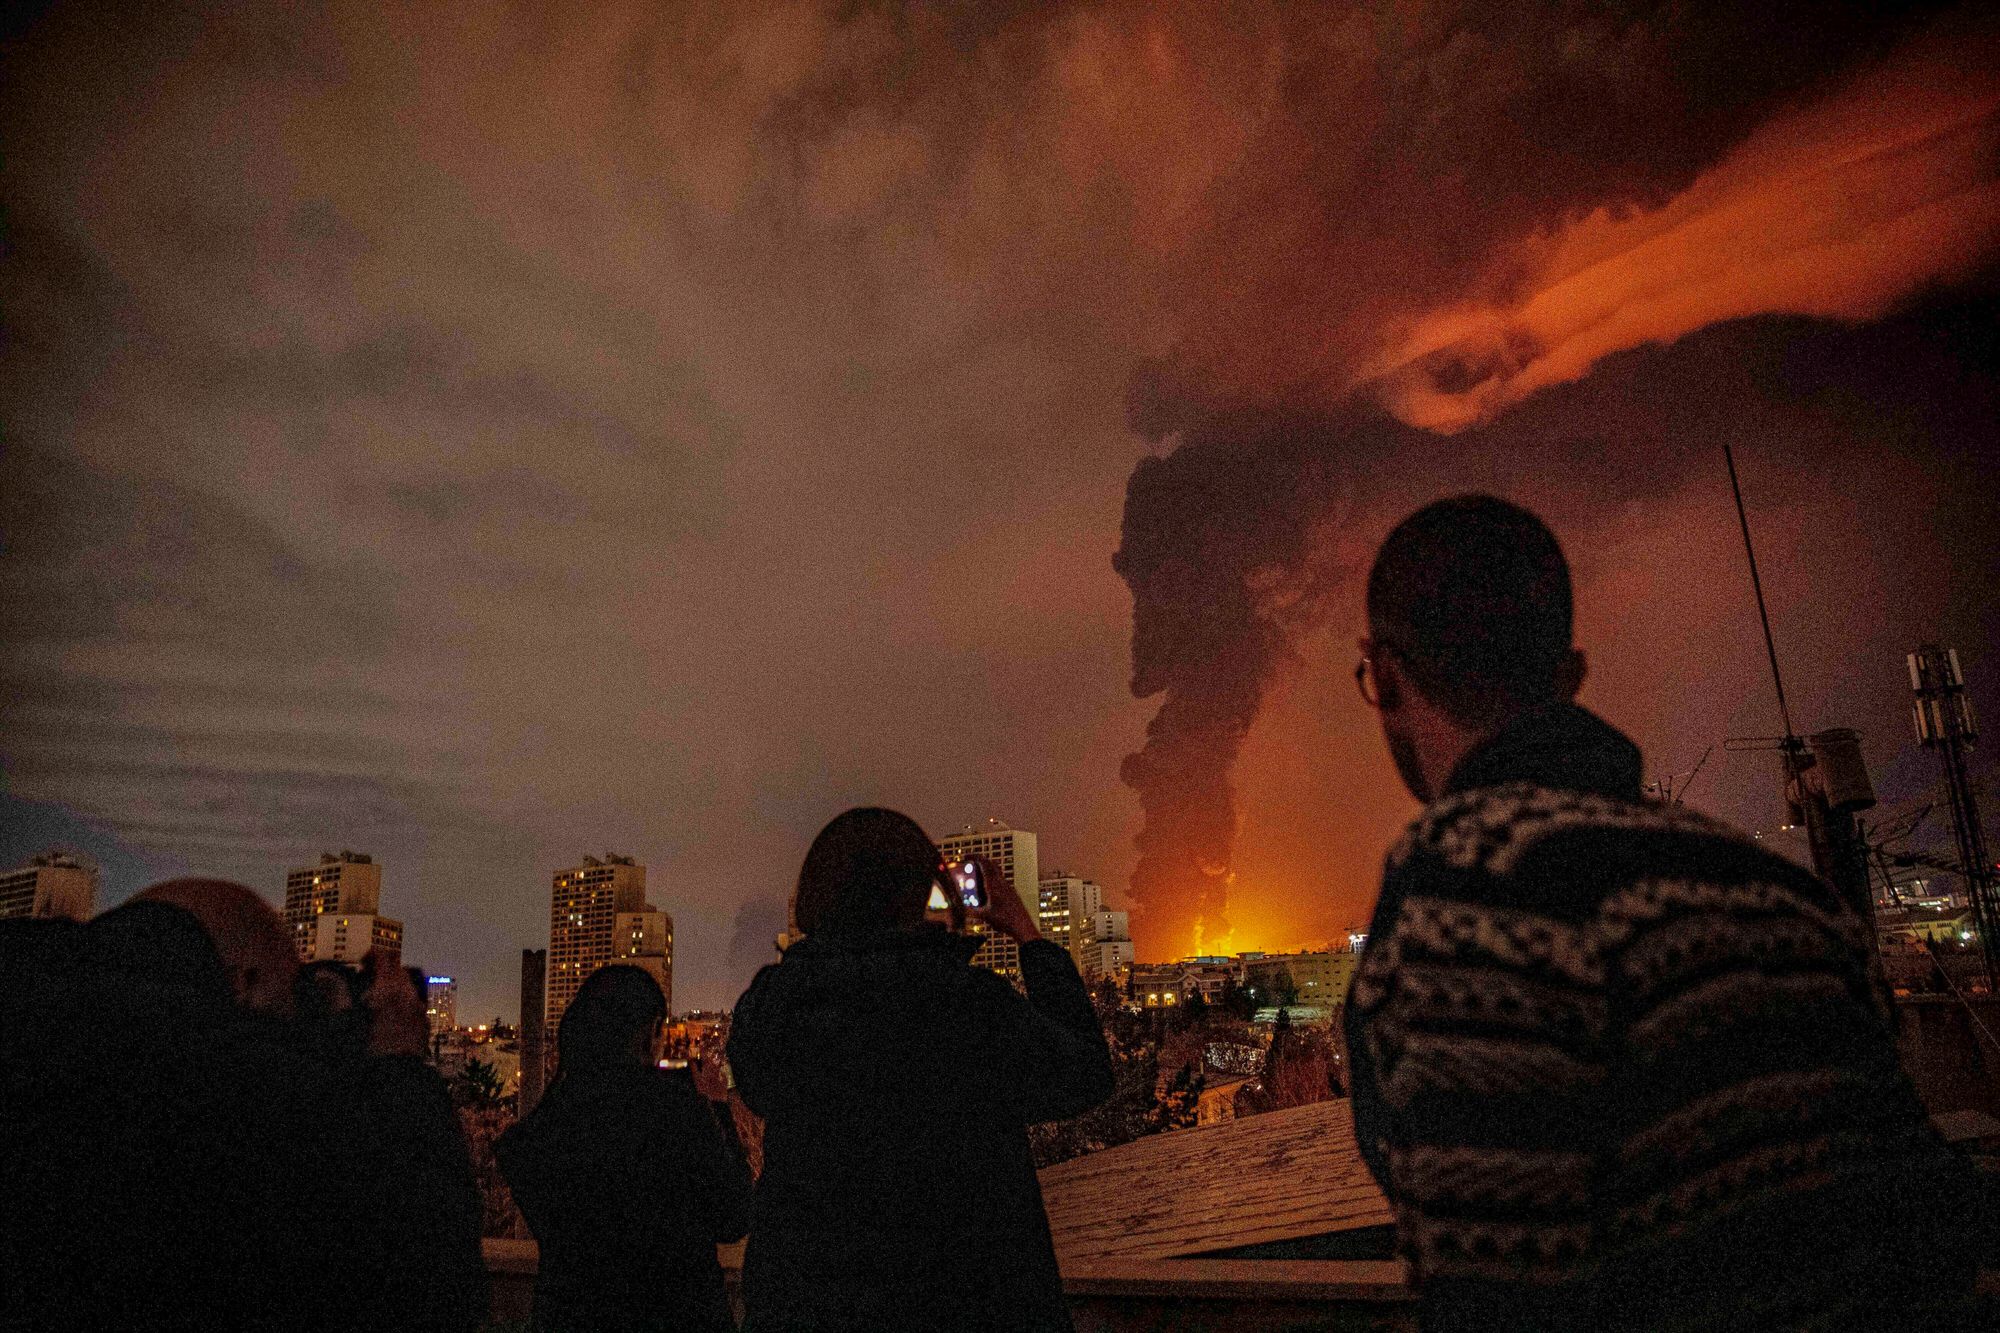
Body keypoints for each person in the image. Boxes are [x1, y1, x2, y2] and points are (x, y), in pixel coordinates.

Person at [1343, 495, 1979, 1331]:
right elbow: (1932, 1240)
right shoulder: (1787, 897)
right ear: (1570, 678)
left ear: (1386, 674)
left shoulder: (1465, 892)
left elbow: (1499, 1296)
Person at [0, 878, 488, 1332]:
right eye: (293, 991)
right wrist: (399, 1061)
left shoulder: (38, 1013)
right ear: (244, 983)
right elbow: (430, 1278)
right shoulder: (217, 1093)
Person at [727, 808, 1113, 1332]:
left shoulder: (775, 1012)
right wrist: (1026, 932)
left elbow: (756, 1087)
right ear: (921, 891)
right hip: (968, 1302)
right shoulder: (967, 1006)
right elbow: (1086, 1074)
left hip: (808, 1306)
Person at [498, 964, 751, 1333]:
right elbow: (734, 1217)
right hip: (677, 1315)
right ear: (652, 1032)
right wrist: (719, 1110)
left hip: (572, 1315)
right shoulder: (675, 1112)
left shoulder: (551, 1123)